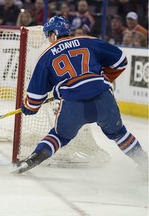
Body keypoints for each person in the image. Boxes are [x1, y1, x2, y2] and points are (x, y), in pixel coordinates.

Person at [15, 16, 148, 174]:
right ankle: (145, 164)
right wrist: (104, 78)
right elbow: (121, 60)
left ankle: (33, 159)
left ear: (52, 34)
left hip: (72, 104)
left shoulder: (46, 56)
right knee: (120, 133)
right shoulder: (89, 41)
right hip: (103, 97)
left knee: (59, 136)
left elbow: (34, 100)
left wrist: (28, 107)